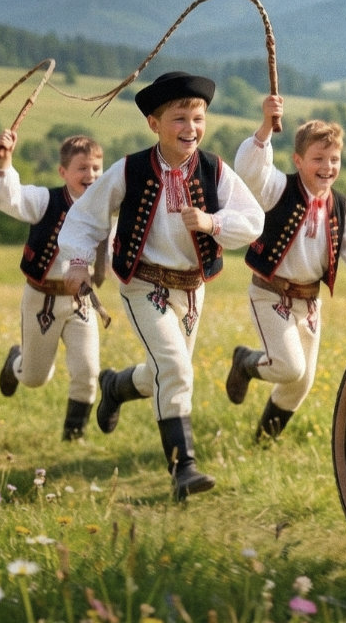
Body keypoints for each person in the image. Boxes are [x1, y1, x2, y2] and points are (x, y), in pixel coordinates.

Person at [54, 72, 262, 499]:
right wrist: (76, 262)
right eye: (179, 118)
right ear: (154, 123)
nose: (191, 128)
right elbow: (86, 217)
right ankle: (183, 467)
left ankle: (115, 386)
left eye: (198, 118)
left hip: (191, 288)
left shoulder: (215, 170)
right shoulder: (128, 170)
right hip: (142, 283)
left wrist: (213, 222)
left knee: (164, 370)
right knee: (176, 367)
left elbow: (253, 220)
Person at [222, 95, 346, 440]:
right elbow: (250, 171)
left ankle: (263, 442)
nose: (327, 166)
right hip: (271, 293)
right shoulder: (278, 189)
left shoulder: (339, 204)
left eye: (334, 159)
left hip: (309, 303)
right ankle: (246, 363)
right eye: (318, 159)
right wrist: (266, 125)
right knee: (288, 367)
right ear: (298, 160)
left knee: (302, 382)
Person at [0, 131, 107, 441]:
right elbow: (8, 197)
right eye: (82, 168)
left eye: (96, 168)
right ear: (63, 172)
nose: (90, 175)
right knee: (35, 378)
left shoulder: (106, 211)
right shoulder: (44, 201)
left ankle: (73, 435)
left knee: (88, 370)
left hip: (81, 302)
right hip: (41, 300)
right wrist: (4, 163)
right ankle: (16, 361)